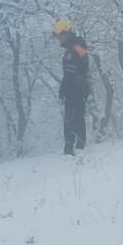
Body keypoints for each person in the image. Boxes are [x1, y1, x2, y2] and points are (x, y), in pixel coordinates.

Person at [52, 18, 90, 155]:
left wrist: (62, 91)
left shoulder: (72, 51)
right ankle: (80, 145)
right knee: (78, 117)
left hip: (74, 89)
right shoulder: (79, 46)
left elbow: (69, 74)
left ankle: (70, 148)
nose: (59, 39)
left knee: (70, 118)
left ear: (66, 34)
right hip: (81, 87)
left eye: (59, 36)